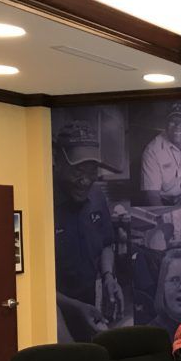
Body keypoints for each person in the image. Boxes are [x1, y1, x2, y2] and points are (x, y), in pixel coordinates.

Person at [53, 123, 124, 341]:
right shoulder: (42, 202)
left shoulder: (97, 197)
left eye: (91, 171)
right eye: (77, 171)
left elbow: (105, 243)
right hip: (54, 309)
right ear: (57, 160)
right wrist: (76, 308)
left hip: (88, 305)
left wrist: (109, 277)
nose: (85, 180)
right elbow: (36, 285)